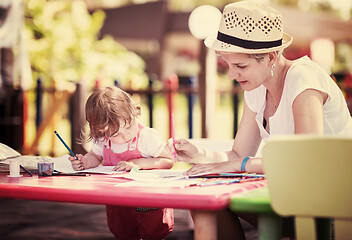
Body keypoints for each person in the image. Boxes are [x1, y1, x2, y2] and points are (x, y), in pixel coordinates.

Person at [167, 1, 352, 239]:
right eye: (228, 65)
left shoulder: (303, 79)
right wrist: (197, 153)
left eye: (240, 66)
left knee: (213, 201)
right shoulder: (256, 88)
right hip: (299, 197)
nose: (232, 75)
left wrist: (242, 164)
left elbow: (306, 160)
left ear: (271, 57)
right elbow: (236, 156)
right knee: (204, 200)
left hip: (335, 205)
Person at [69, 86, 174, 240]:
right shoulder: (103, 140)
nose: (126, 135)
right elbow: (95, 157)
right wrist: (84, 162)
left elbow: (168, 161)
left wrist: (138, 163)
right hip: (117, 199)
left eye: (130, 125)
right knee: (123, 232)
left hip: (147, 197)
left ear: (134, 113)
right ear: (100, 131)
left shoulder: (146, 137)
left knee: (152, 232)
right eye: (116, 134)